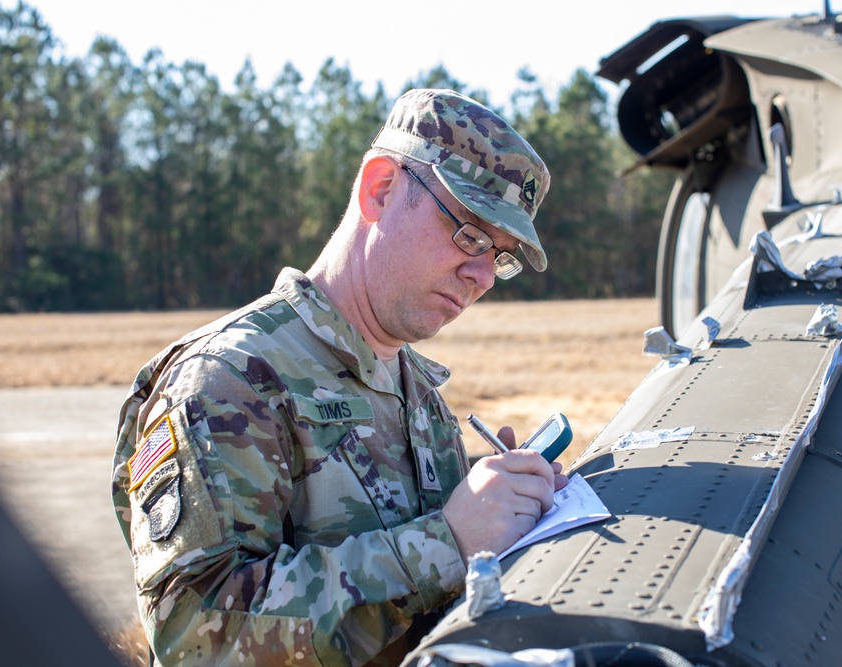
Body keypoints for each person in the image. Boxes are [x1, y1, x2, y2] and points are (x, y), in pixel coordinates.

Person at [110, 88, 567, 666]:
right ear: (381, 188)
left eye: (499, 255)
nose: (482, 276)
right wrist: (447, 544)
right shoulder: (228, 381)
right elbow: (197, 639)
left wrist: (497, 496)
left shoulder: (414, 387)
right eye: (471, 234)